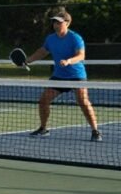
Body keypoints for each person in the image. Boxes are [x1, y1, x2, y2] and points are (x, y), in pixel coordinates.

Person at [22, 10, 102, 142]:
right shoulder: (50, 38)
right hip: (59, 76)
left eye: (58, 22)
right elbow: (42, 52)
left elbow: (81, 55)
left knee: (83, 102)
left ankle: (95, 130)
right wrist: (28, 60)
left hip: (77, 75)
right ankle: (43, 128)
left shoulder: (75, 38)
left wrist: (68, 61)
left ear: (67, 23)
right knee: (43, 101)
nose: (55, 24)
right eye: (54, 22)